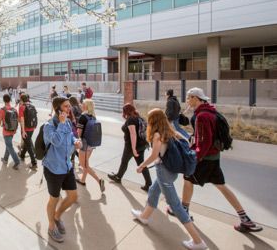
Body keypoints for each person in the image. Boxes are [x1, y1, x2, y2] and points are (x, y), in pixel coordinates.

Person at [167, 87, 263, 233]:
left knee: (188, 179)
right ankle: (245, 219)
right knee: (221, 185)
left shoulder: (203, 116)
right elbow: (203, 137)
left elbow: (204, 142)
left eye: (188, 97)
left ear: (195, 98)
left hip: (204, 158)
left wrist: (195, 157)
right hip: (213, 156)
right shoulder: (210, 111)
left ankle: (183, 210)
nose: (187, 100)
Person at [131, 108, 207, 250]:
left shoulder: (157, 135)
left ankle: (198, 242)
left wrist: (141, 165)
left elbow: (154, 156)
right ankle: (144, 216)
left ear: (154, 121)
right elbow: (185, 141)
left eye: (149, 119)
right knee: (154, 192)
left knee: (176, 206)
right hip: (171, 171)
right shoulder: (169, 130)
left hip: (163, 172)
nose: (148, 121)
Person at [43, 97, 82, 243]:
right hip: (53, 168)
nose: (69, 109)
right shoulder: (48, 125)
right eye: (66, 107)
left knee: (73, 196)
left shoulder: (67, 122)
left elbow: (70, 136)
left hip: (67, 166)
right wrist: (62, 123)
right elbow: (57, 141)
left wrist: (75, 141)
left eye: (69, 106)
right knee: (55, 198)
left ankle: (57, 216)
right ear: (58, 109)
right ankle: (51, 226)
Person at [108, 103, 152, 192]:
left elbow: (133, 134)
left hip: (132, 146)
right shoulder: (139, 118)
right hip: (142, 145)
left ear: (126, 111)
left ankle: (118, 177)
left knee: (124, 162)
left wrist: (133, 148)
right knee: (141, 164)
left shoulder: (131, 119)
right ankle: (148, 183)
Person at [76, 99, 105, 192]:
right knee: (86, 163)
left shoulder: (83, 117)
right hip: (92, 144)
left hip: (84, 144)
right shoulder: (93, 117)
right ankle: (82, 180)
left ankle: (99, 180)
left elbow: (79, 133)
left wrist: (76, 142)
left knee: (84, 165)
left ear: (86, 106)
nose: (81, 105)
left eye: (83, 104)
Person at [0, 94, 20, 170]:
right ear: (10, 100)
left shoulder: (2, 110)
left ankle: (17, 161)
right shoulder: (14, 109)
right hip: (13, 130)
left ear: (4, 100)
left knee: (9, 146)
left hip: (6, 131)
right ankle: (5, 159)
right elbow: (17, 119)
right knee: (8, 145)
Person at [18, 94, 37, 169]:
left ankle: (34, 163)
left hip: (25, 129)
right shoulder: (32, 106)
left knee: (28, 145)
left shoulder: (22, 107)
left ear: (22, 100)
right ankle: (22, 155)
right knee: (27, 142)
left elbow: (22, 120)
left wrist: (23, 131)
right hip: (32, 128)